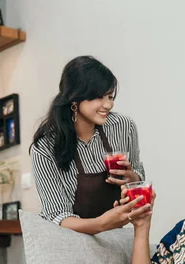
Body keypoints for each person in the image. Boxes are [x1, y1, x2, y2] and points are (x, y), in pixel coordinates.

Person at [30, 55, 146, 234]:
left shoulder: (123, 126)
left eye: (110, 96)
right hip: (68, 243)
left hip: (115, 238)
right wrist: (102, 223)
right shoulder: (45, 147)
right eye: (99, 97)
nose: (108, 104)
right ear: (75, 99)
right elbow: (57, 215)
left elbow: (140, 182)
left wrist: (132, 178)